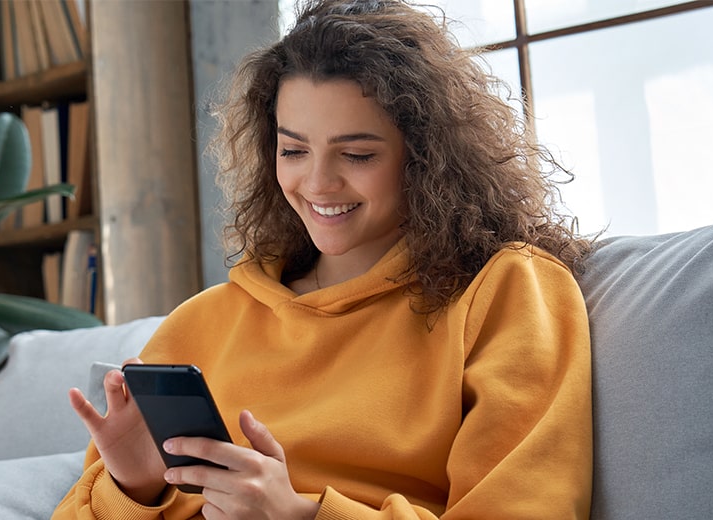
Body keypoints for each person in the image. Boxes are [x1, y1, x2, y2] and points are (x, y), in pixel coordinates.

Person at [52, 0, 593, 518]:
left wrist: (303, 515)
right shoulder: (201, 321)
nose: (317, 183)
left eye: (357, 154)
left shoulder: (504, 291)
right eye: (293, 150)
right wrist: (135, 489)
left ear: (426, 158)